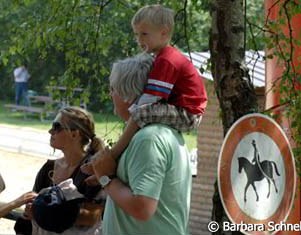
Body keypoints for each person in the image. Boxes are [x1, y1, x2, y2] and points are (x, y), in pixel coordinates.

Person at [90, 53, 192, 235]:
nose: (110, 94)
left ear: (127, 94)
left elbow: (143, 208)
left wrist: (106, 179)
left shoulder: (149, 139)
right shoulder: (158, 133)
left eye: (112, 88)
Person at [108, 4, 208, 160]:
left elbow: (150, 99)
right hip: (182, 109)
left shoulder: (167, 61)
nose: (139, 40)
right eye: (136, 35)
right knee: (141, 112)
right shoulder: (163, 57)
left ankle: (114, 153)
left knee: (140, 113)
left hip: (187, 113)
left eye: (144, 34)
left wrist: (133, 110)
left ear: (164, 32)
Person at [14, 106, 105, 235]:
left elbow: (94, 216)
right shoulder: (48, 168)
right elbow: (32, 206)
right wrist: (31, 210)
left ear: (75, 134)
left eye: (57, 126)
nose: (50, 131)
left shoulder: (91, 169)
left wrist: (46, 211)